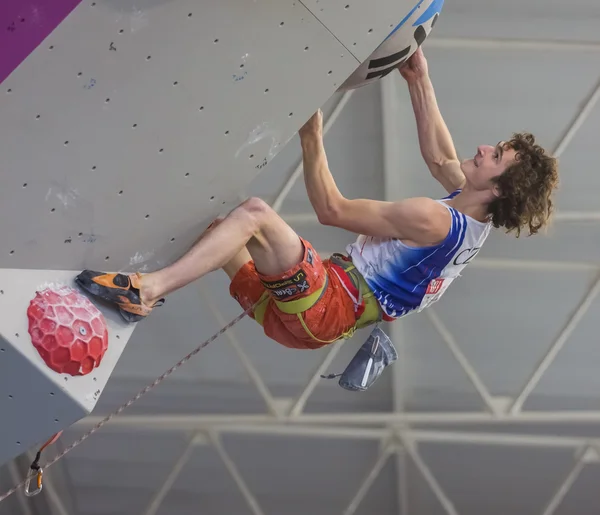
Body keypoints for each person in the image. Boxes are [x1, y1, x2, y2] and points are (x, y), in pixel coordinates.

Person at [76, 48, 559, 391]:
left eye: (495, 154)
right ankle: (122, 275)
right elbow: (441, 157)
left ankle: (145, 291)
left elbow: (332, 210)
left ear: (497, 187)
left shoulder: (432, 219)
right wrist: (418, 79)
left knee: (254, 216)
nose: (482, 149)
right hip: (300, 321)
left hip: (322, 305)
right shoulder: (476, 217)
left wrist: (312, 134)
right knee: (214, 229)